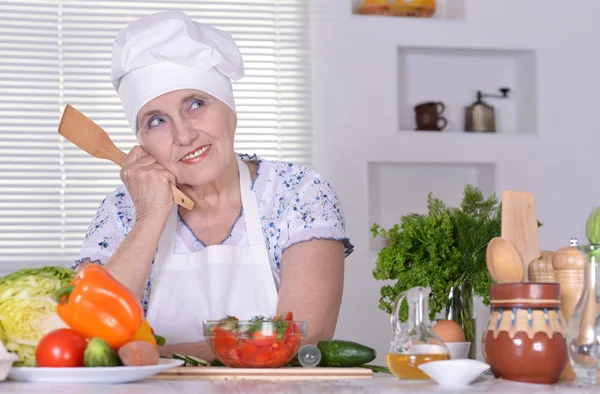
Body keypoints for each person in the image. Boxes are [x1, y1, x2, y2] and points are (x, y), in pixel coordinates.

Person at [71, 10, 353, 360]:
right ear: (141, 142)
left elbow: (299, 340)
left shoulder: (299, 193)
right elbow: (85, 335)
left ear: (229, 110)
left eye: (196, 104)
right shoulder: (122, 210)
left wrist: (154, 357)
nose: (185, 135)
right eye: (156, 121)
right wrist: (151, 215)